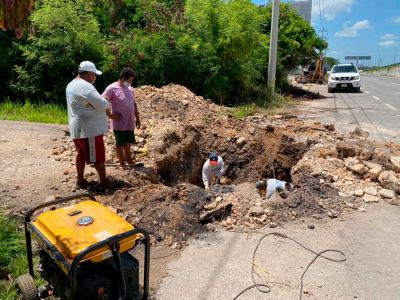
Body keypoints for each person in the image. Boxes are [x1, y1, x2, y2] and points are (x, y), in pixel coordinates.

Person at [66, 61, 116, 189]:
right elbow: (102, 104)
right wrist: (101, 104)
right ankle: (104, 182)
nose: (95, 78)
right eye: (94, 75)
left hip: (77, 127)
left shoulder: (71, 84)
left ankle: (80, 180)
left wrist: (92, 104)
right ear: (88, 74)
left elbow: (92, 103)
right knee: (97, 157)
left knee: (81, 154)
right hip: (89, 129)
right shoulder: (85, 87)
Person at [102, 67, 141, 168]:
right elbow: (103, 101)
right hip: (119, 122)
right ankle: (122, 163)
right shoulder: (112, 88)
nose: (131, 82)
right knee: (120, 143)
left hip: (129, 121)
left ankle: (129, 160)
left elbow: (133, 103)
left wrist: (137, 117)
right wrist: (110, 115)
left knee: (127, 142)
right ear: (123, 78)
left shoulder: (129, 89)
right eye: (130, 80)